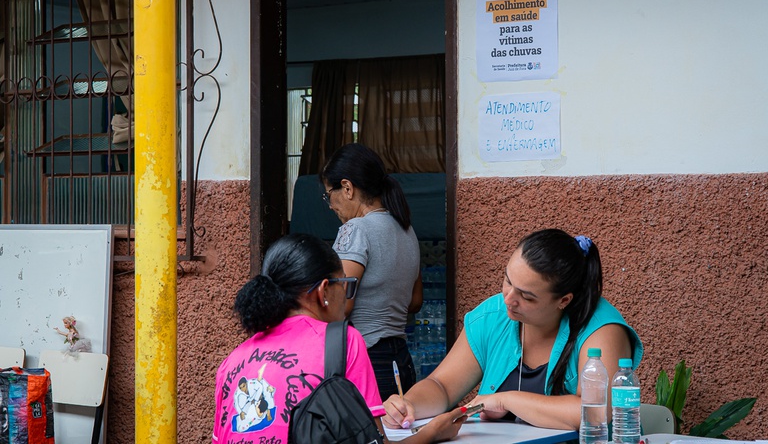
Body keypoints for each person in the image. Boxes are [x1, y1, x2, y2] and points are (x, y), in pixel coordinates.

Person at [212, 233, 465, 443]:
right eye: (344, 285)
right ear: (324, 291)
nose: (346, 297)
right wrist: (433, 432)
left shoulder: (233, 360)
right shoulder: (342, 343)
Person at [383, 228, 644, 431]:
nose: (508, 299)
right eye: (507, 280)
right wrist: (409, 405)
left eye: (526, 296)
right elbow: (441, 385)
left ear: (564, 301)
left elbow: (596, 411)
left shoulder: (602, 328)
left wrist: (505, 400)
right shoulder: (494, 315)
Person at [320, 143, 423, 400]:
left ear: (347, 187)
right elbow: (415, 301)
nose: (330, 205)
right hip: (400, 359)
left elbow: (339, 304)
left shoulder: (356, 229)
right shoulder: (407, 230)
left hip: (367, 360)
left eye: (328, 194)